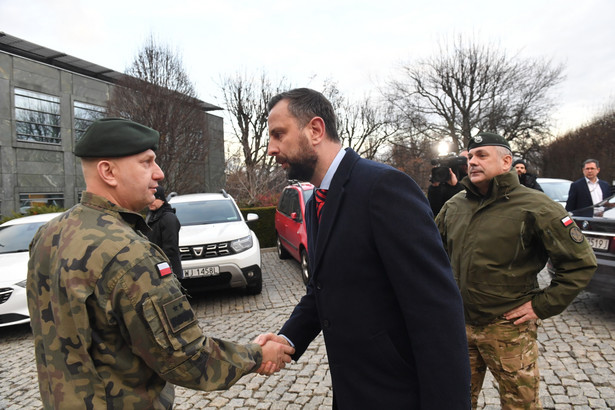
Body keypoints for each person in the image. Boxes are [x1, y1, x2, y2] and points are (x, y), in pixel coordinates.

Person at [26, 117, 294, 409]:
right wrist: (257, 354)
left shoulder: (49, 234)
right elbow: (188, 358)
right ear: (108, 171)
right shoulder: (128, 253)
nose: (159, 173)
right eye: (146, 162)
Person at [257, 88, 471, 408]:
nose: (271, 148)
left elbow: (437, 311)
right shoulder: (318, 200)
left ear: (315, 130)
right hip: (356, 394)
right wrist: (288, 338)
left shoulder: (383, 188)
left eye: (278, 134)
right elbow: (322, 289)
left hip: (399, 396)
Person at [435, 132, 597, 409]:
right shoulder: (454, 206)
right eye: (471, 156)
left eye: (482, 155)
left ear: (506, 161)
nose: (473, 162)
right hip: (458, 326)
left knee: (521, 405)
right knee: (454, 401)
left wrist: (541, 306)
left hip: (508, 328)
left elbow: (580, 263)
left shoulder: (537, 206)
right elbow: (431, 256)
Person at [146, 185, 183, 279]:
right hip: (156, 267)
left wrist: (165, 274)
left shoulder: (168, 218)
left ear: (162, 200)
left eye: (154, 199)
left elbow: (170, 250)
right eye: (149, 199)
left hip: (167, 271)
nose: (151, 202)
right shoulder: (151, 215)